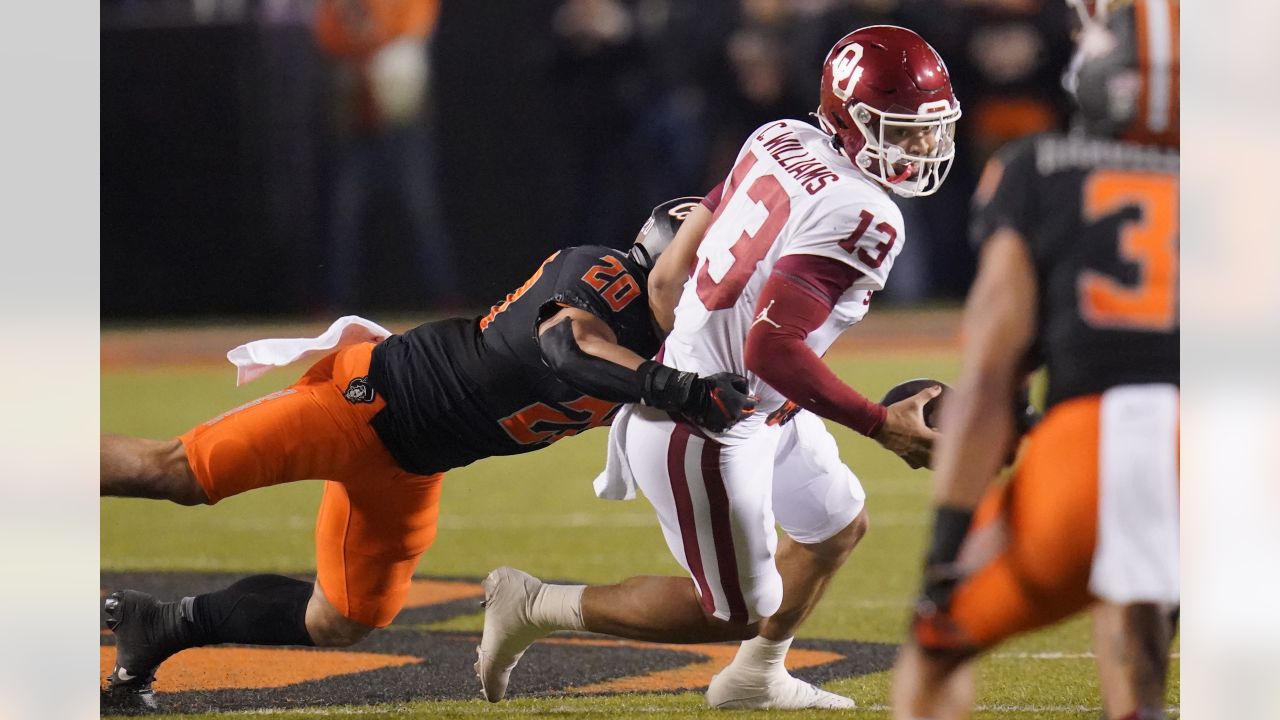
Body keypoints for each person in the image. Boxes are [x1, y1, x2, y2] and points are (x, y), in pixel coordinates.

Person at [99, 198, 757, 706]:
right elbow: (568, 346)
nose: (714, 298)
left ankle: (157, 624)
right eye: (707, 278)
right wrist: (677, 390)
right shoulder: (603, 272)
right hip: (366, 402)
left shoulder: (676, 347)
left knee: (344, 618)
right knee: (178, 472)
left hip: (413, 462)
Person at [475, 25, 962, 709]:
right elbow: (769, 347)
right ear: (850, 119)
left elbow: (673, 271)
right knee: (730, 609)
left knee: (835, 525)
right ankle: (532, 603)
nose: (920, 145)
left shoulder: (778, 137)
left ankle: (756, 675)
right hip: (707, 418)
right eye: (901, 128)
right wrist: (880, 425)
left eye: (927, 128)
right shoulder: (867, 211)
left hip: (750, 396)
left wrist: (697, 346)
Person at [890, 1, 1179, 718]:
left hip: (1095, 449)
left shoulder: (1039, 170)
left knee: (935, 647)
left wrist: (947, 551)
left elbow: (991, 377)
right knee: (1144, 599)